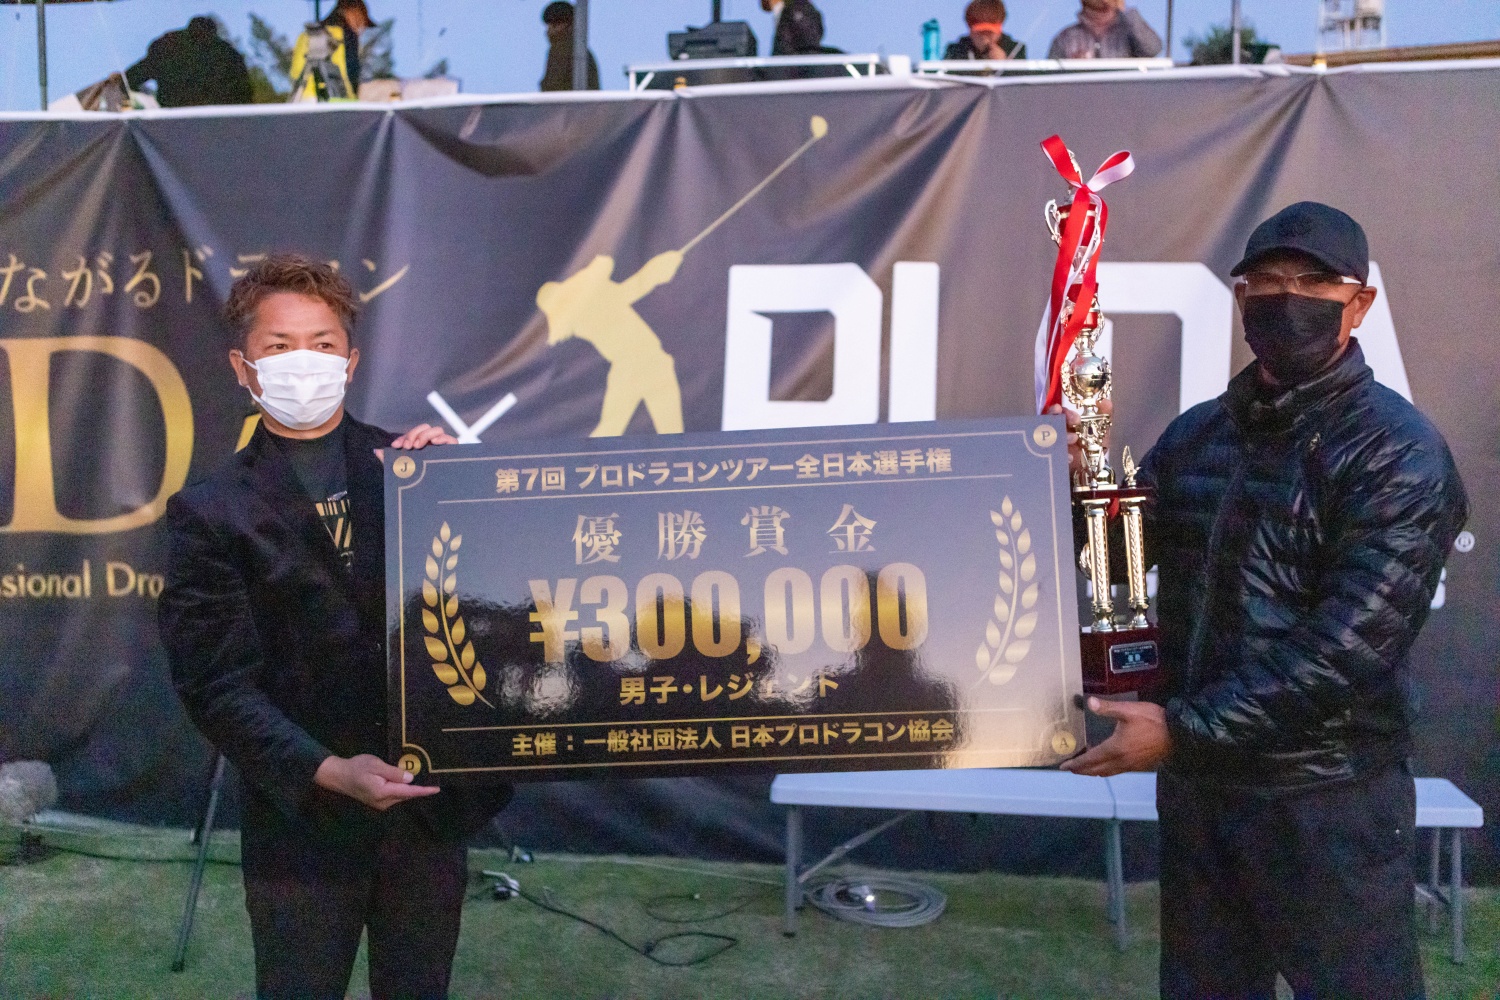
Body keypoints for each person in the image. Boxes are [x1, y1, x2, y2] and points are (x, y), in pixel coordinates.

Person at [1059, 203, 1469, 997]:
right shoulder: (1198, 435)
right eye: (1269, 281)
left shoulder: (1401, 453)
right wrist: (1085, 488)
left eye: (1314, 283)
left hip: (1325, 800)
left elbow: (1347, 649)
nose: (1289, 299)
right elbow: (1118, 562)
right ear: (1241, 297)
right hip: (1203, 796)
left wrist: (1182, 728)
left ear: (1360, 304)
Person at [159, 254, 511, 999]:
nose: (303, 361)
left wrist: (465, 495)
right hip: (302, 825)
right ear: (243, 367)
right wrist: (327, 770)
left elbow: (494, 615)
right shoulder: (211, 512)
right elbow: (215, 685)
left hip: (427, 812)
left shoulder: (413, 470)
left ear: (349, 363)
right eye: (279, 345)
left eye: (322, 344)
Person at [124, 16, 252, 108]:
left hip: (176, 128)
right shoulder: (168, 47)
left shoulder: (169, 47)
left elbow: (131, 78)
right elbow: (131, 78)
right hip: (219, 128)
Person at [289, 0, 372, 101]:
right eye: (361, 22)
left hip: (302, 99)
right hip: (332, 99)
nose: (361, 30)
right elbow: (353, 74)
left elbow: (294, 73)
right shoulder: (347, 36)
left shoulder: (306, 35)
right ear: (350, 12)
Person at [1047, 0, 1161, 59]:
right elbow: (1051, 82)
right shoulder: (1066, 38)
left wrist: (1125, 9)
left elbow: (1153, 49)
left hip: (1122, 97)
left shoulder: (1129, 31)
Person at [540, 1, 600, 92]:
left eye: (555, 25)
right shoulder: (583, 53)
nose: (549, 32)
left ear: (570, 26)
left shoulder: (562, 50)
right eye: (549, 26)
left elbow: (552, 87)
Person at [945, 0, 1027, 61]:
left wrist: (1005, 63)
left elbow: (1024, 76)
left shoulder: (1016, 49)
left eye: (990, 33)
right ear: (970, 29)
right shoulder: (955, 51)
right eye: (980, 33)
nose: (985, 37)